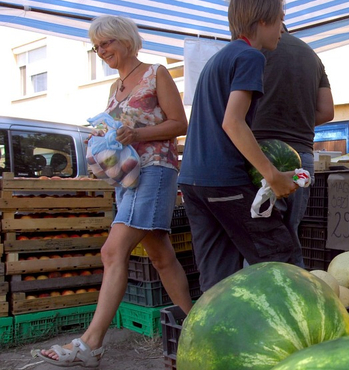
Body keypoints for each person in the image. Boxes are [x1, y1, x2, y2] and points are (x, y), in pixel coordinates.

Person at [34, 15, 191, 367]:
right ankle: (197, 324)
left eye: (107, 43)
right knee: (161, 256)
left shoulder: (156, 73)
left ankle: (91, 344)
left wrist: (135, 135)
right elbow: (122, 131)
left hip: (155, 171)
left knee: (111, 251)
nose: (102, 51)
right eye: (97, 46)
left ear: (126, 41)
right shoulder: (114, 88)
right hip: (127, 176)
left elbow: (180, 124)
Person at [177, 0, 299, 293]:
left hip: (193, 181)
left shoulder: (219, 59)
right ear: (263, 20)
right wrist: (271, 175)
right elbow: (232, 122)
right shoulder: (250, 57)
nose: (282, 30)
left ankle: (216, 336)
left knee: (218, 277)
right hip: (224, 180)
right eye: (280, 20)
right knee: (280, 260)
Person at [251, 27, 334, 269]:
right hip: (303, 161)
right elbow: (327, 111)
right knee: (290, 232)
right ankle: (297, 293)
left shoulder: (257, 47)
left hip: (261, 156)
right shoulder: (311, 55)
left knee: (261, 235)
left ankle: (260, 297)